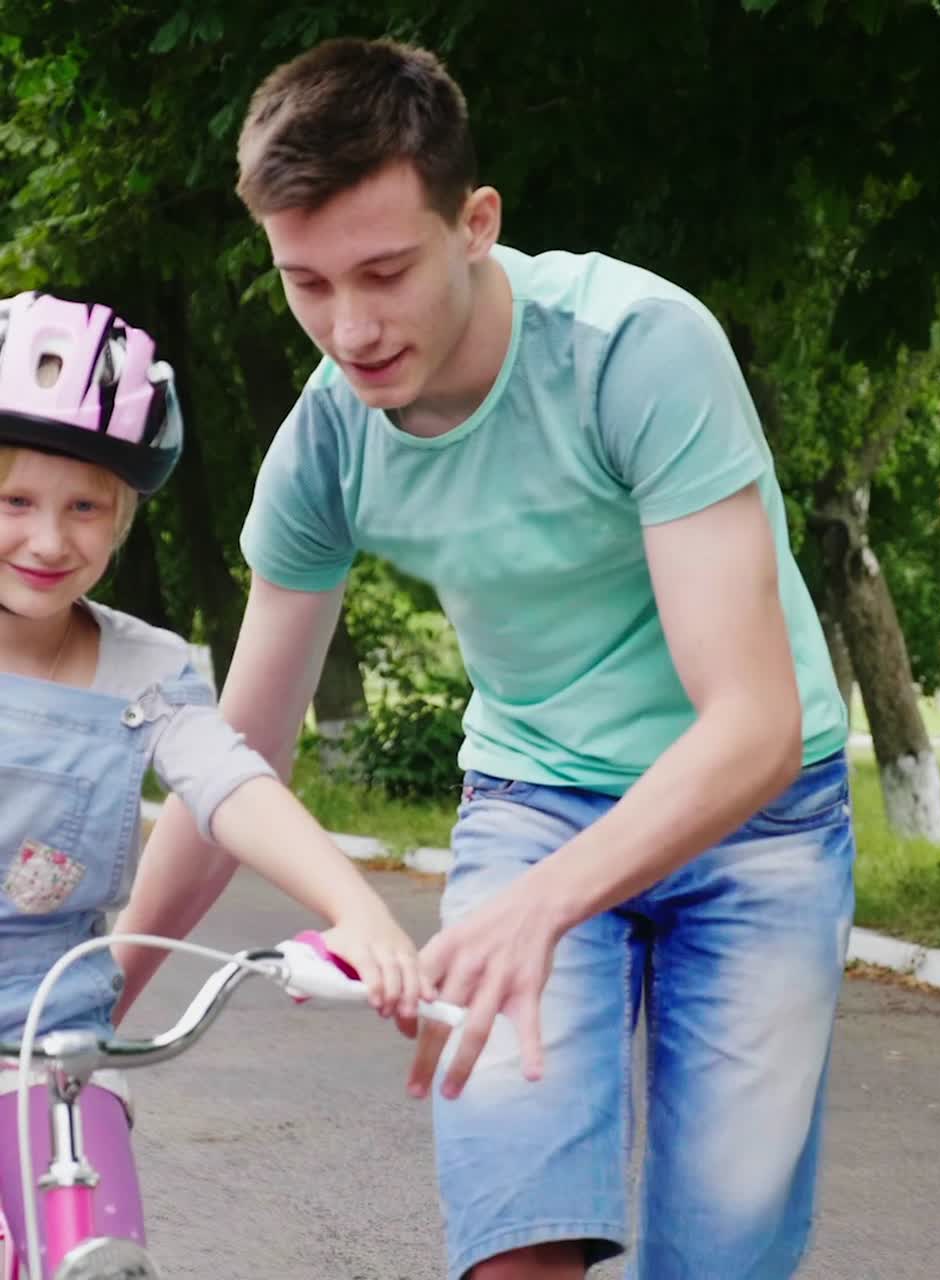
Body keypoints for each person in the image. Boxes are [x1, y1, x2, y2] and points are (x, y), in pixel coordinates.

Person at [116, 35, 856, 1280]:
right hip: (534, 799)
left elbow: (751, 725)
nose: (348, 329)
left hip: (759, 822)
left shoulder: (634, 348)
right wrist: (89, 1008)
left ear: (475, 222)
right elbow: (233, 755)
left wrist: (542, 901)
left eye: (384, 270)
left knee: (720, 1253)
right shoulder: (325, 448)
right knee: (517, 1229)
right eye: (305, 283)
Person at [0, 290, 426, 1272]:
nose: (49, 540)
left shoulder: (141, 666)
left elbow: (230, 778)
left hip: (52, 1056)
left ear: (127, 514)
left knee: (95, 1247)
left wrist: (354, 908)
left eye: (86, 506)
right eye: (16, 499)